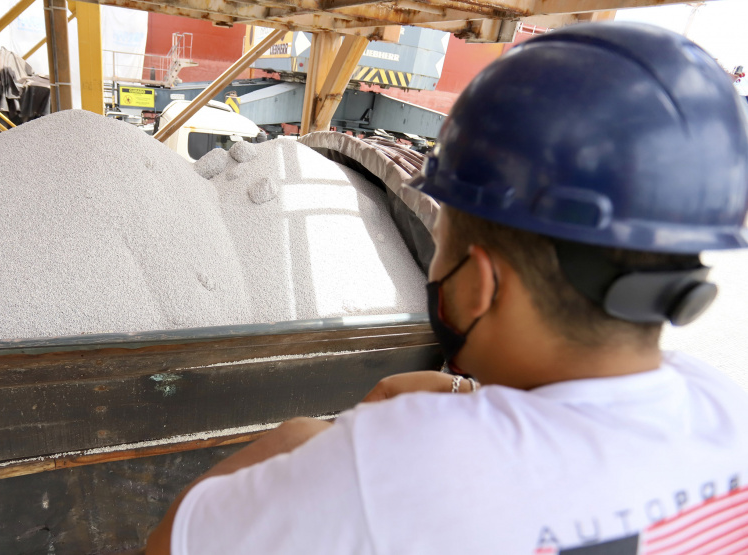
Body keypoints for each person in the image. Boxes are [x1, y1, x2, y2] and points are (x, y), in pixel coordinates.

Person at [146, 22, 748, 555]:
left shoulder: (389, 472)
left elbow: (172, 546)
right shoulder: (727, 414)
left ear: (481, 284)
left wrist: (297, 443)